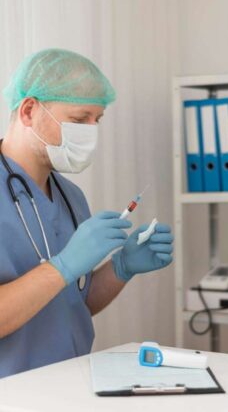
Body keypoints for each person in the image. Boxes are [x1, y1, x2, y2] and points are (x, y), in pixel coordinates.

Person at [0, 48, 173, 378]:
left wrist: (121, 267)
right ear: (28, 111)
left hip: (70, 382)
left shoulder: (70, 196)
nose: (91, 131)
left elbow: (72, 306)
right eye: (80, 120)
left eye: (98, 120)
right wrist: (62, 266)